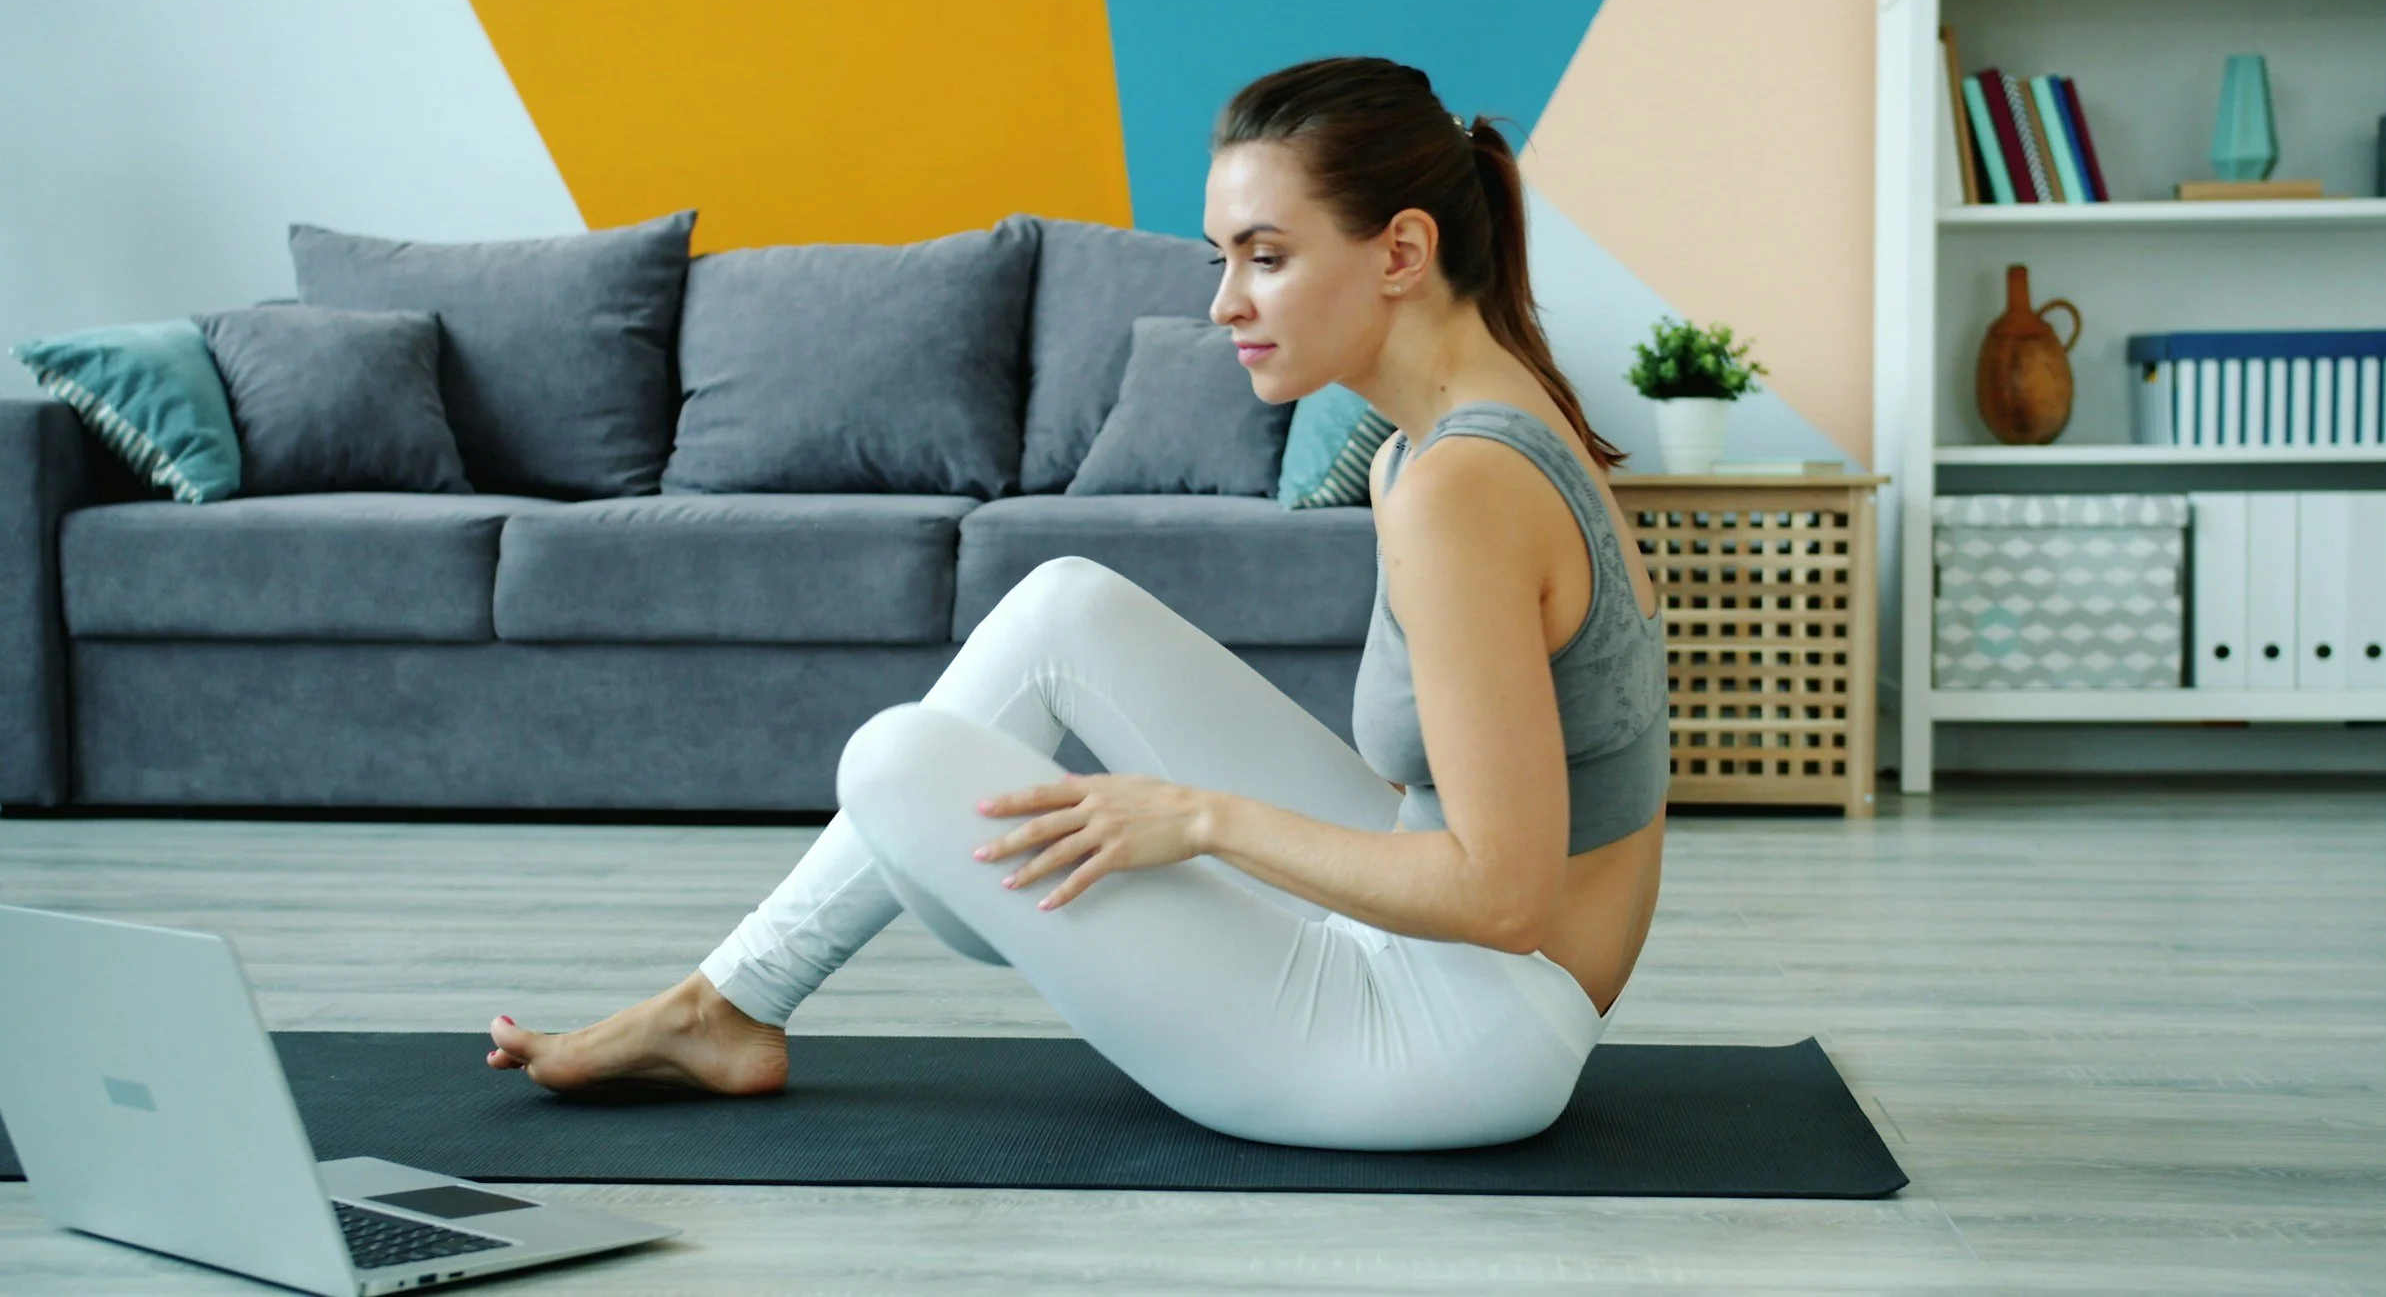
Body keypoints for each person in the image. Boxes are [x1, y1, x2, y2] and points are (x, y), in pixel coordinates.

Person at [485, 56, 1673, 1151]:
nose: (1224, 303)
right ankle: (725, 1003)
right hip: (1457, 971)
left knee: (899, 759)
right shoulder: (1453, 435)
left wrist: (1197, 821)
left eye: (1266, 256)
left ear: (1401, 252)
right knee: (1062, 606)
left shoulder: (1459, 483)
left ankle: (837, 936)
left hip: (1450, 1041)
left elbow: (1500, 891)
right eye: (1222, 258)